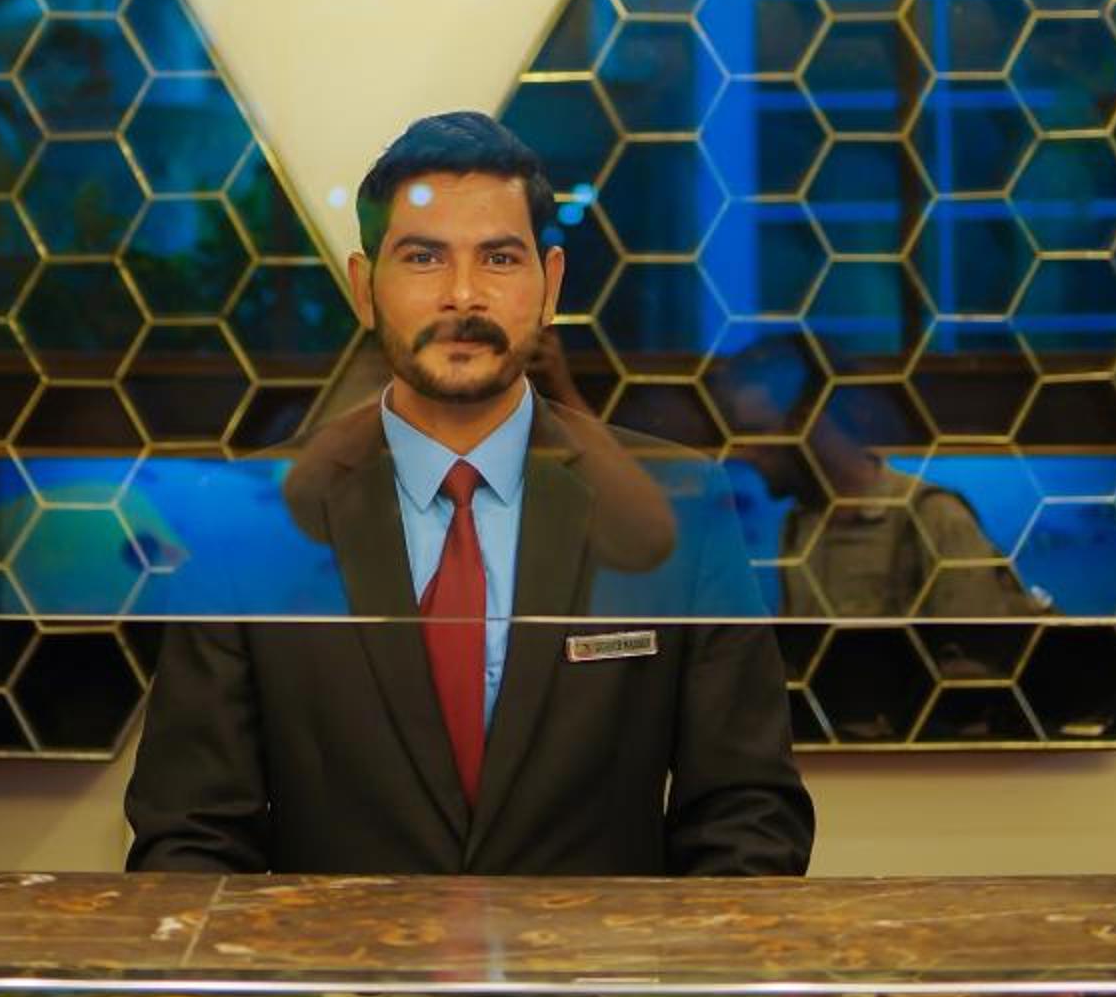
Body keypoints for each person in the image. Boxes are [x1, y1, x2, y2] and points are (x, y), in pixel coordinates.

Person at [125, 110, 812, 878]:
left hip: (593, 958)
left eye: (499, 258)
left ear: (550, 285)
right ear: (364, 289)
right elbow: (188, 837)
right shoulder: (249, 520)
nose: (462, 295)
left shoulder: (679, 505)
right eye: (423, 258)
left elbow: (748, 817)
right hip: (338, 958)